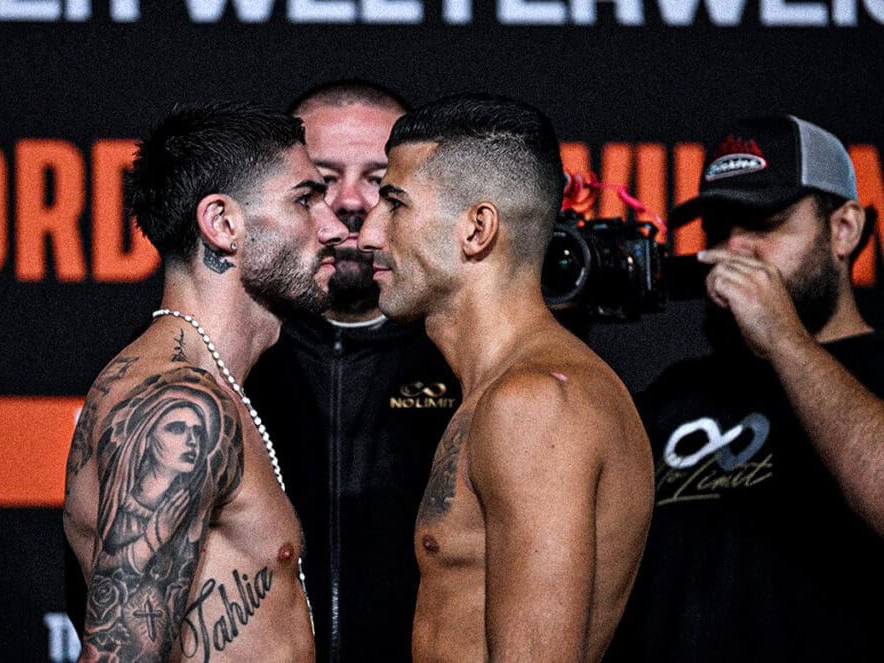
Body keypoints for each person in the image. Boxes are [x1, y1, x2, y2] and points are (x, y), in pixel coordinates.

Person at [357, 93, 654, 662]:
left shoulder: (536, 402)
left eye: (394, 204)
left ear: (477, 229)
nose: (369, 233)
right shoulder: (508, 392)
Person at [62, 100, 348, 662]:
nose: (336, 227)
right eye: (305, 199)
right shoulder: (180, 407)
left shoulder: (207, 390)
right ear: (222, 224)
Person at [606, 115, 884, 662]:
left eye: (764, 223)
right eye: (718, 227)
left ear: (844, 229)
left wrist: (785, 341)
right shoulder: (674, 393)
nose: (732, 249)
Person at [244, 80, 461, 663]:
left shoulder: (475, 359)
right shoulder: (224, 360)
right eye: (320, 178)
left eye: (379, 179)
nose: (349, 201)